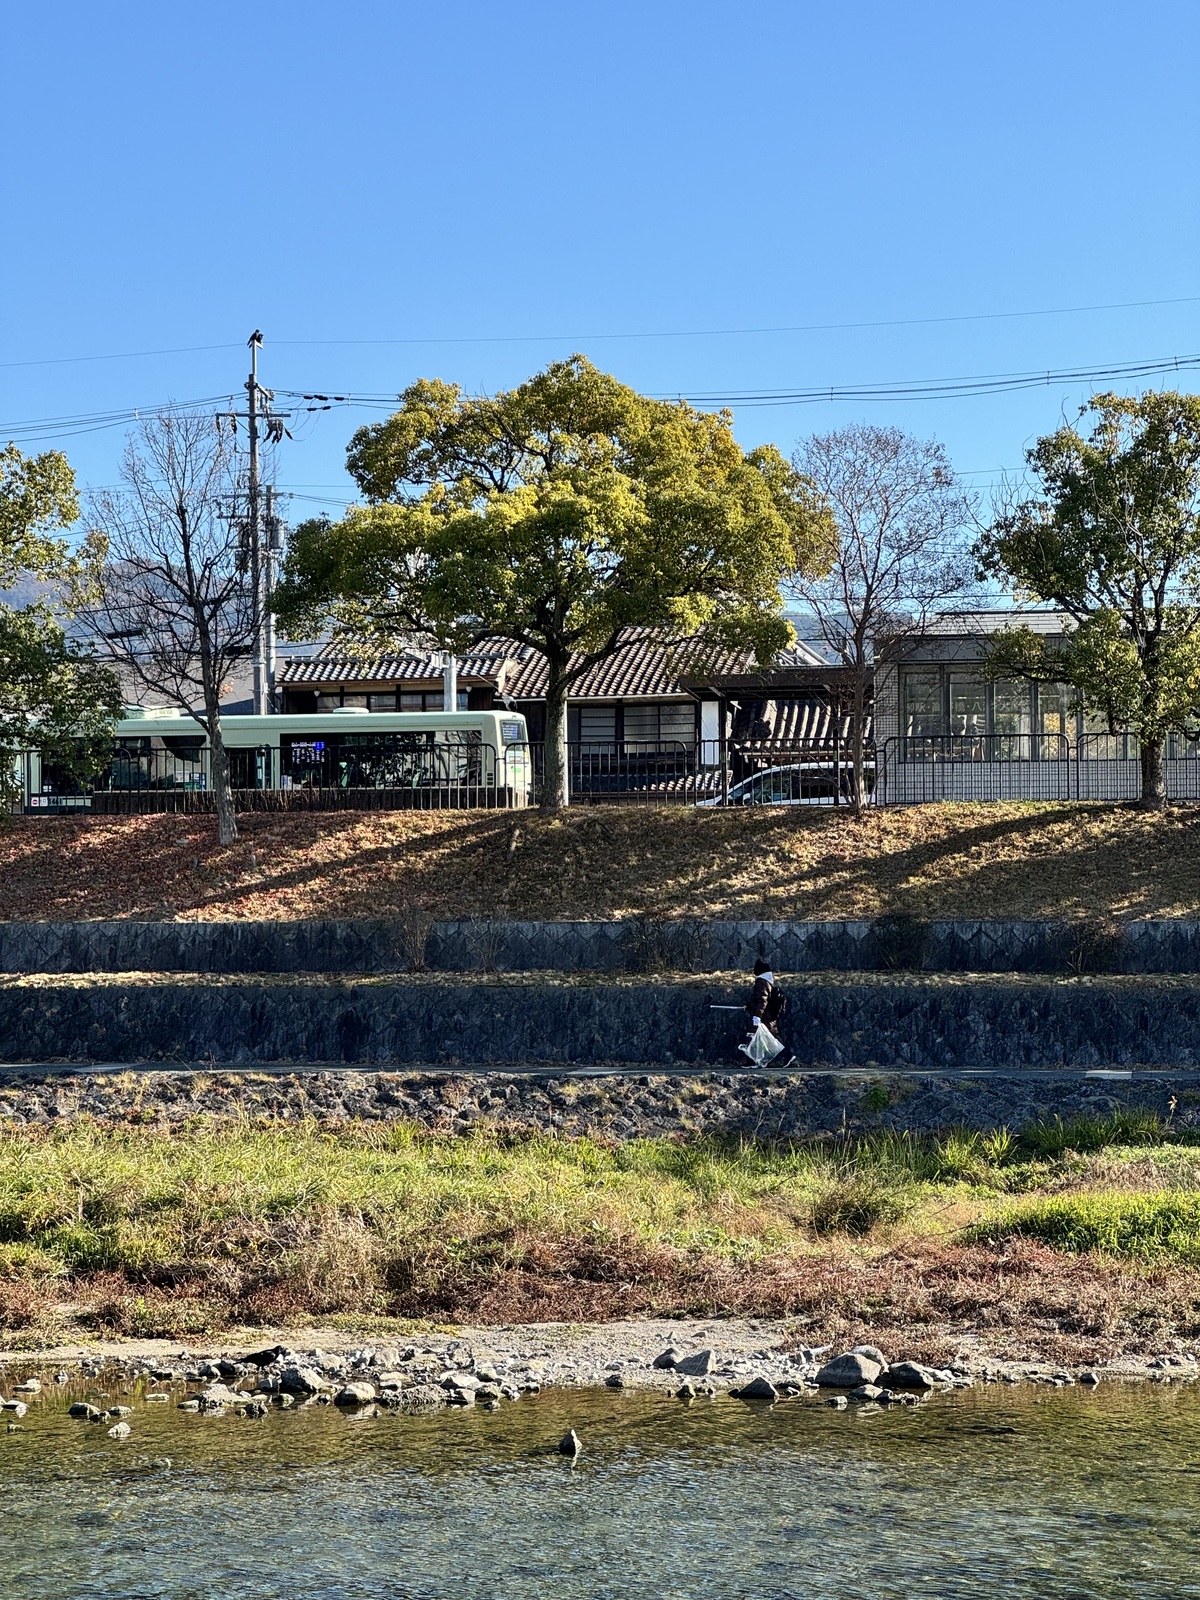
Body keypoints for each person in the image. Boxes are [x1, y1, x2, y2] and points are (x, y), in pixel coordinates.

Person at [738, 957, 797, 1068]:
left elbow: (762, 1000)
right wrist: (749, 1006)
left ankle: (753, 1061)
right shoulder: (767, 982)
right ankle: (786, 1055)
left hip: (763, 1017)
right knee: (770, 1040)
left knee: (754, 1038)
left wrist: (757, 1016)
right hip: (768, 1017)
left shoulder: (761, 982)